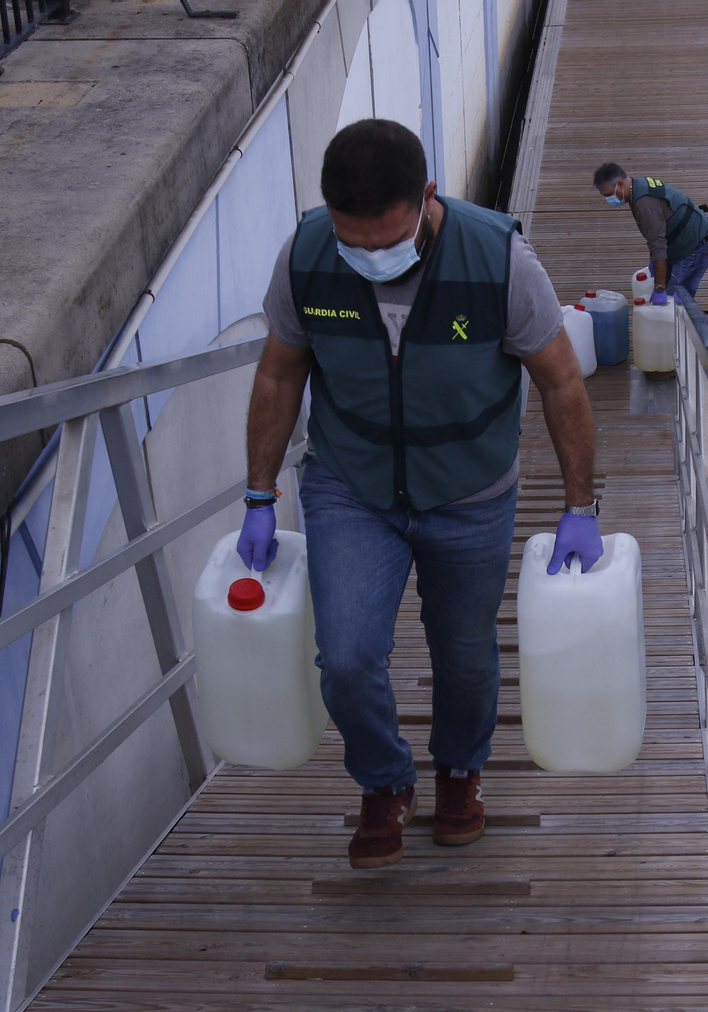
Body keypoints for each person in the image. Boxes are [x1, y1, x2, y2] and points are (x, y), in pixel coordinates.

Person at [241, 119, 603, 869]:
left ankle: (461, 772)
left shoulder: (499, 260)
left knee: (465, 656)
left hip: (470, 491)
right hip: (352, 484)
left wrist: (578, 508)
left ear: (427, 199)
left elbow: (562, 380)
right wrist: (258, 495)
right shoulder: (308, 255)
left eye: (385, 241)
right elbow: (279, 373)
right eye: (353, 242)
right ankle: (385, 781)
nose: (370, 258)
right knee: (344, 656)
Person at [592, 163, 708, 303]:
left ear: (620, 184)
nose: (608, 199)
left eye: (609, 195)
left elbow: (658, 244)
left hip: (695, 246)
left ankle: (677, 319)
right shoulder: (638, 185)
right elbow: (657, 234)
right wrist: (654, 262)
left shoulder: (644, 203)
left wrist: (660, 288)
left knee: (674, 302)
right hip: (684, 240)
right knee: (672, 300)